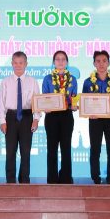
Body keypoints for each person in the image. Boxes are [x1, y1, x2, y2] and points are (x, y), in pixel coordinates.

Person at [0, 51, 40, 183]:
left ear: (26, 64)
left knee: (25, 151)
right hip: (10, 117)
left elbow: (37, 101)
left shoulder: (32, 81)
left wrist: (36, 119)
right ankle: (10, 180)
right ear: (12, 64)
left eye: (21, 63)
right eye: (15, 63)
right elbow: (1, 102)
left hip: (27, 116)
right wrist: (2, 120)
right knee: (10, 151)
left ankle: (24, 180)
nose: (18, 65)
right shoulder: (6, 82)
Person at [81, 50, 110, 184]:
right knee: (95, 149)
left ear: (108, 63)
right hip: (95, 120)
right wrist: (88, 112)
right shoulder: (88, 82)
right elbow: (84, 102)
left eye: (104, 61)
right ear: (94, 63)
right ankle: (96, 178)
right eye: (98, 61)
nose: (101, 64)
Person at [41, 50, 78, 184]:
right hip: (51, 116)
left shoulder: (73, 79)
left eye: (63, 59)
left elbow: (74, 98)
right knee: (52, 148)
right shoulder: (47, 79)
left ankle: (66, 178)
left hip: (67, 115)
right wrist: (44, 106)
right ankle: (52, 179)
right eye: (57, 59)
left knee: (66, 148)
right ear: (53, 62)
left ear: (67, 62)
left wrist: (74, 106)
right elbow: (44, 97)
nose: (60, 62)